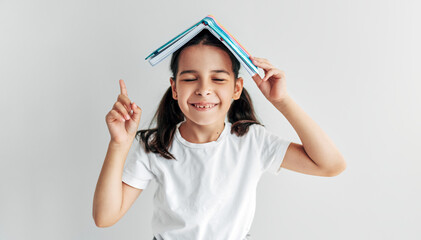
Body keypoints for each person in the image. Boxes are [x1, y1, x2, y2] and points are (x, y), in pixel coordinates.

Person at [92, 30, 346, 239]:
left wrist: (281, 101)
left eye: (218, 79)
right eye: (191, 78)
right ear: (174, 88)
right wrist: (118, 144)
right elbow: (104, 217)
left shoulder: (252, 141)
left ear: (237, 88)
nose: (204, 89)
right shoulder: (155, 145)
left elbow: (330, 165)